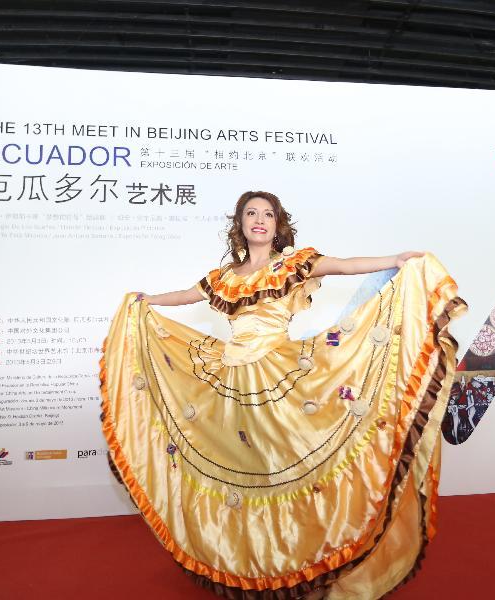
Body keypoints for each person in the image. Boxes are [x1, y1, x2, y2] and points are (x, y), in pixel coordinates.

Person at [100, 191, 467, 599]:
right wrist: (146, 301)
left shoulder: (292, 263)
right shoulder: (224, 277)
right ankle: (252, 560)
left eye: (268, 214)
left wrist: (395, 260)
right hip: (229, 383)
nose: (259, 220)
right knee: (245, 471)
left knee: (286, 469)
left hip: (279, 376)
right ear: (239, 225)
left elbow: (343, 266)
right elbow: (187, 296)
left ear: (278, 224)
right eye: (251, 213)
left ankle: (299, 561)